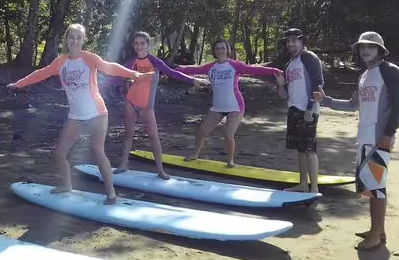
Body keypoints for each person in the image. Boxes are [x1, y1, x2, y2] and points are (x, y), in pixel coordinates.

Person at [8, 23, 154, 205]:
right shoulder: (60, 62)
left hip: (97, 113)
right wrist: (18, 84)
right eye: (71, 37)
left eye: (78, 38)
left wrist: (133, 74)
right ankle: (66, 184)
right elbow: (41, 73)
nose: (75, 41)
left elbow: (110, 67)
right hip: (76, 116)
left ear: (83, 41)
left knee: (97, 150)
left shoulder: (89, 58)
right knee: (59, 152)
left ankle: (111, 194)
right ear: (66, 40)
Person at [313, 32, 399, 251]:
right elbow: (353, 105)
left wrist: (389, 132)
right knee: (371, 185)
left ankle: (375, 235)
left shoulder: (390, 71)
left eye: (371, 47)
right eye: (362, 47)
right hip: (364, 136)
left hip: (379, 136)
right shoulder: (364, 75)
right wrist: (325, 100)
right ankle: (378, 230)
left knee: (376, 187)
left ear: (380, 50)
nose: (365, 51)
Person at [113, 31, 208, 179]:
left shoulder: (154, 61)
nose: (139, 46)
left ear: (147, 44)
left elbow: (172, 73)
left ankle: (160, 171)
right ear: (133, 45)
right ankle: (123, 165)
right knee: (128, 135)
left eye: (142, 43)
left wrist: (192, 80)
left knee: (153, 137)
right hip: (131, 101)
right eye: (136, 43)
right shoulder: (131, 62)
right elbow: (118, 78)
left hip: (147, 106)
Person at [176, 39, 283, 167]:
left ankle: (230, 160)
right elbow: (192, 70)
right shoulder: (210, 67)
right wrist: (172, 69)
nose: (220, 51)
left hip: (235, 106)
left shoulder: (234, 65)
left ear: (227, 50)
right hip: (218, 106)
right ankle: (195, 154)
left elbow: (255, 70)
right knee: (202, 131)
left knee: (228, 133)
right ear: (214, 51)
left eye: (223, 48)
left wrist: (275, 70)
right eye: (218, 48)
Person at [275, 28, 323, 193]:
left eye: (294, 40)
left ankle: (314, 188)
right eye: (288, 41)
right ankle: (303, 184)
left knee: (309, 149)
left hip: (307, 110)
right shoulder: (289, 65)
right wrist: (280, 85)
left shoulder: (308, 57)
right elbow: (284, 95)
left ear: (302, 42)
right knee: (300, 150)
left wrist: (310, 108)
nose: (291, 44)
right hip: (293, 109)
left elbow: (318, 84)